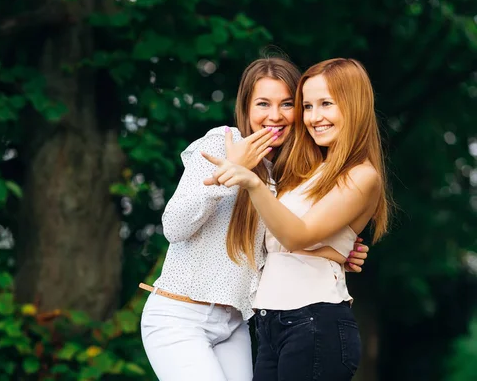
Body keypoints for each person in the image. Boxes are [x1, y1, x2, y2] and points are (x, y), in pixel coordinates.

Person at [139, 57, 369, 381]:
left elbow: (283, 245)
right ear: (246, 108)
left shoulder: (294, 176)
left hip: (236, 325)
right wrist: (227, 172)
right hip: (180, 314)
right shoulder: (222, 143)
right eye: (263, 103)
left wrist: (336, 249)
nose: (274, 116)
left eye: (287, 104)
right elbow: (174, 226)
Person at [203, 58, 390, 380]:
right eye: (307, 106)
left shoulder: (362, 175)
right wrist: (336, 251)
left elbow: (297, 236)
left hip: (314, 322)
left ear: (355, 106)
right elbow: (274, 239)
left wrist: (251, 182)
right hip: (271, 324)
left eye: (326, 104)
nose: (314, 117)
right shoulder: (306, 172)